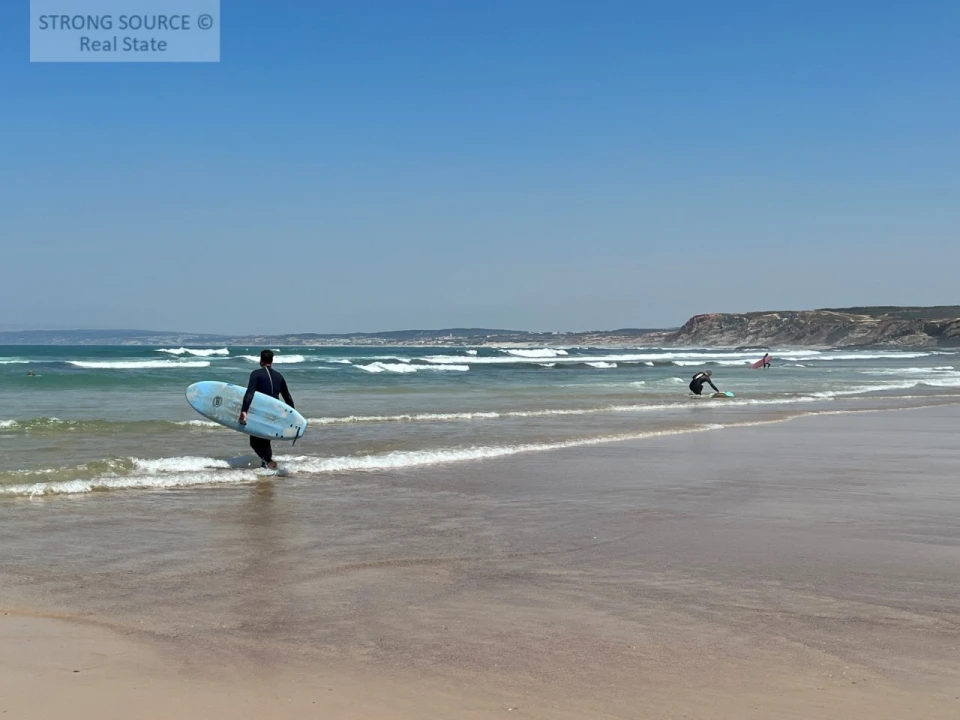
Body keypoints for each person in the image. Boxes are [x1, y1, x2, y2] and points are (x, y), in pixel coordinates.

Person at [239, 349, 295, 470]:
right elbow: (288, 398)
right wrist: (293, 416)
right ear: (271, 360)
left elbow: (250, 393)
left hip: (260, 413)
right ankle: (267, 467)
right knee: (265, 441)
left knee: (254, 442)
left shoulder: (256, 374)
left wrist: (244, 410)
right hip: (274, 413)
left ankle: (268, 461)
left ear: (261, 360)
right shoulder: (279, 376)